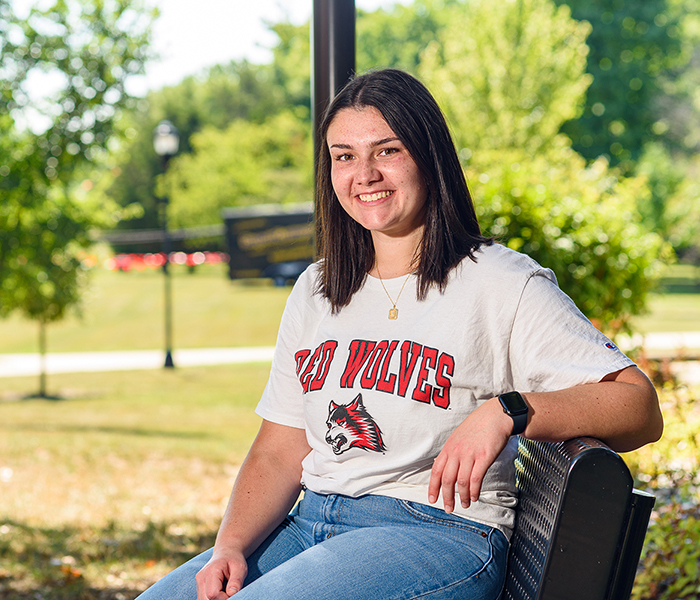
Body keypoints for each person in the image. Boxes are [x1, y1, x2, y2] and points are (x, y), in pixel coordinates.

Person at [135, 68, 663, 600]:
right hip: (310, 524)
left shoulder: (499, 283)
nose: (363, 173)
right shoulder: (317, 288)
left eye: (386, 151)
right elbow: (279, 448)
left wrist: (509, 411)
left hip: (434, 533)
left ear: (428, 156)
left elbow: (639, 406)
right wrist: (230, 545)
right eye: (344, 156)